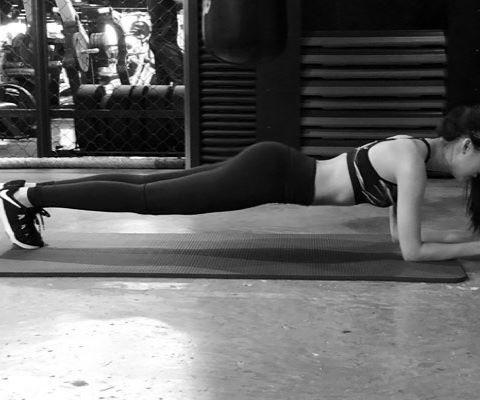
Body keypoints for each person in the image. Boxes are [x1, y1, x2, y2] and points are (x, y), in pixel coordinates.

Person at [2, 105, 480, 262]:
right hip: (271, 175)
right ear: (464, 145)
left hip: (275, 167)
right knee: (148, 199)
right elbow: (412, 253)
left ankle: (27, 192)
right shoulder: (412, 164)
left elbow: (400, 237)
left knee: (145, 188)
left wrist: (457, 240)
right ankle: (23, 196)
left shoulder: (412, 150)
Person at [145, 0, 183, 85]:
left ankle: (164, 97)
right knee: (183, 76)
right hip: (165, 41)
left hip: (158, 40)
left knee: (163, 80)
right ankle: (184, 98)